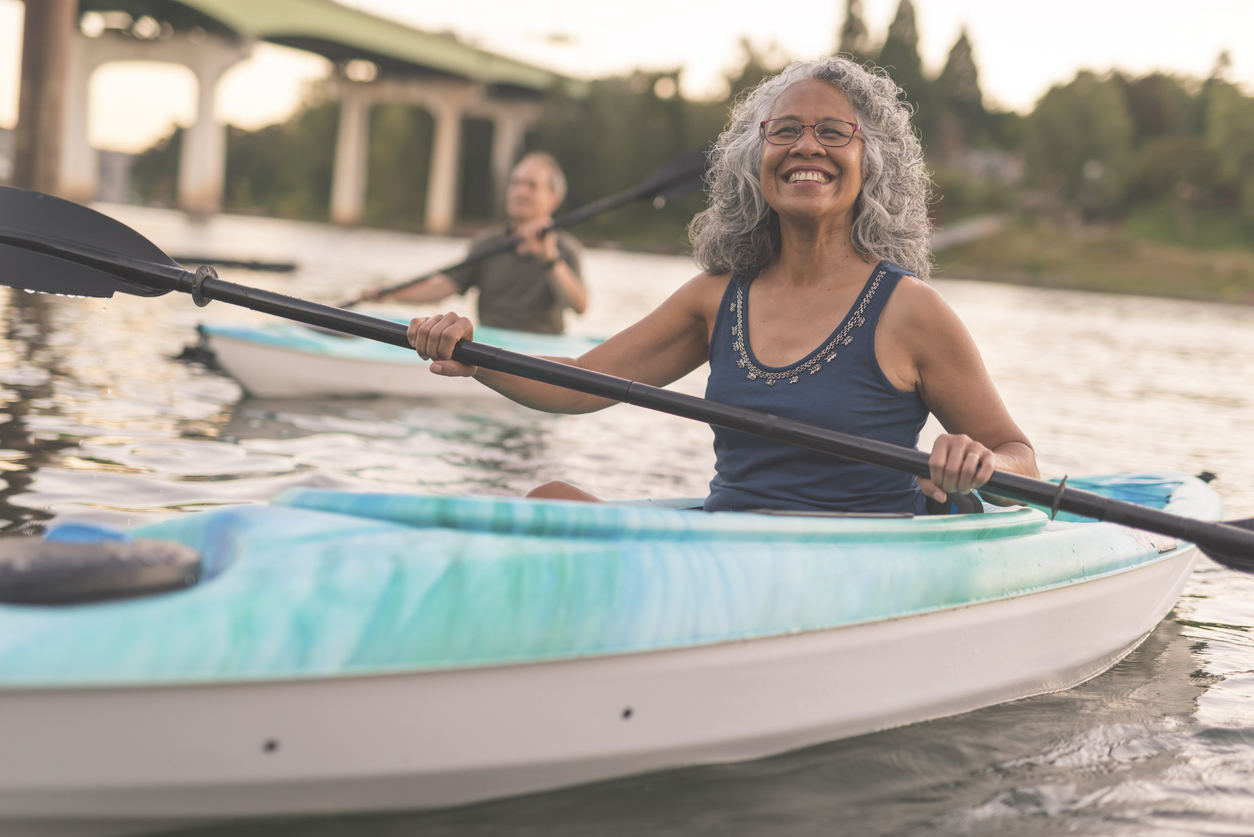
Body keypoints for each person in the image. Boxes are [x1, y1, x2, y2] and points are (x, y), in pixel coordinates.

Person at [407, 57, 1039, 512]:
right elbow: (575, 384)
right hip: (729, 549)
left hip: (855, 559)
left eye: (833, 132)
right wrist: (472, 353)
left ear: (871, 162)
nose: (806, 146)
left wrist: (981, 464)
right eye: (785, 130)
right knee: (548, 501)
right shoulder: (715, 297)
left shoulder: (912, 310)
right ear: (753, 158)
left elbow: (1019, 455)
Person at [362, 152, 587, 335]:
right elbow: (442, 287)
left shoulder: (566, 249)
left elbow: (579, 306)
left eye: (531, 186)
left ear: (553, 199)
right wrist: (389, 293)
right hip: (490, 342)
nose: (520, 191)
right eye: (515, 183)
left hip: (542, 349)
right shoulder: (487, 243)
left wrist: (549, 260)